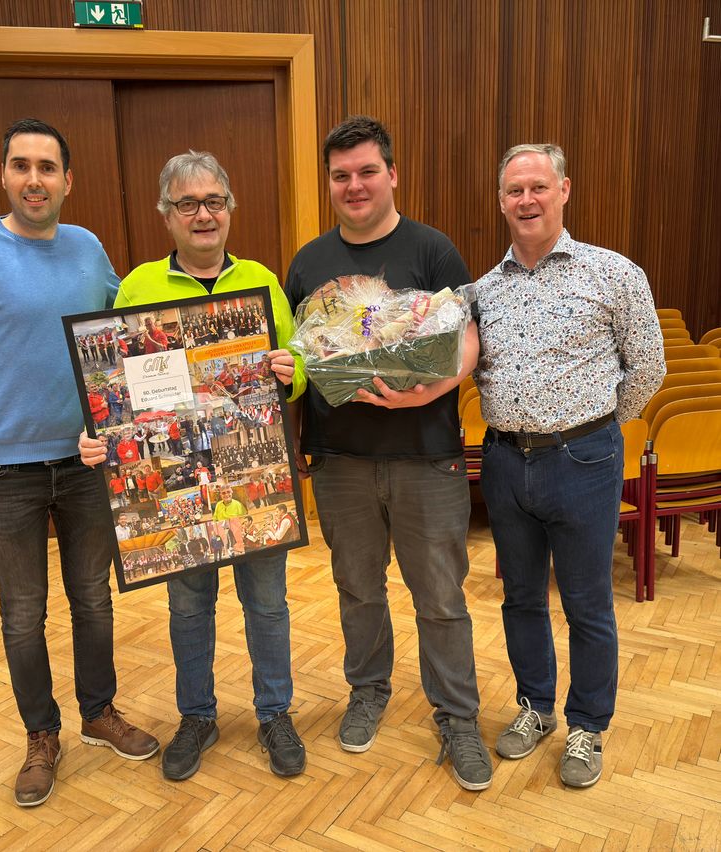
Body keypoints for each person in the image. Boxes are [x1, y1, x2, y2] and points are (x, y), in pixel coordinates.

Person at [0, 118, 158, 809]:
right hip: (3, 475)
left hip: (85, 464)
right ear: (4, 175)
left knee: (93, 601)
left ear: (67, 181)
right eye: (22, 166)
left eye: (47, 168)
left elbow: (121, 342)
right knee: (22, 614)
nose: (34, 179)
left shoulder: (87, 249)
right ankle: (41, 735)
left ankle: (99, 713)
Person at [80, 150, 307, 781]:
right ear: (167, 216)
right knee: (188, 607)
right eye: (187, 204)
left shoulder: (263, 281)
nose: (202, 214)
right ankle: (197, 715)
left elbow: (296, 372)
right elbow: (115, 389)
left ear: (230, 210)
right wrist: (101, 429)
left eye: (213, 202)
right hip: (174, 481)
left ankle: (275, 713)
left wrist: (291, 374)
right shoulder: (138, 287)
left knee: (267, 603)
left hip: (253, 475)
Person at [285, 115, 489, 791]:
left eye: (368, 171)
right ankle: (368, 690)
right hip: (339, 458)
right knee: (357, 590)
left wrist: (421, 394)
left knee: (439, 595)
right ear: (330, 182)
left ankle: (457, 716)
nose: (355, 185)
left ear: (393, 174)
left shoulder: (433, 250)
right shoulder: (308, 263)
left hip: (424, 453)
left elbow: (468, 341)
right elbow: (295, 357)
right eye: (341, 175)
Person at [474, 143, 666, 788]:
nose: (525, 200)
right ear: (500, 201)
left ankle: (587, 725)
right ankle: (535, 708)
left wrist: (599, 426)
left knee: (587, 603)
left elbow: (648, 367)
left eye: (537, 187)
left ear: (564, 190)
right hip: (504, 459)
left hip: (584, 457)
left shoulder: (614, 274)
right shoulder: (482, 291)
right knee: (521, 597)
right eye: (512, 191)